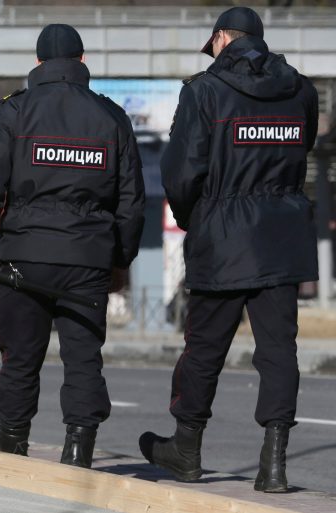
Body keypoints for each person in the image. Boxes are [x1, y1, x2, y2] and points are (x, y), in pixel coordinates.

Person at [139, 6, 319, 493]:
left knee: (203, 349)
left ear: (221, 38)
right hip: (282, 238)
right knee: (279, 351)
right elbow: (302, 150)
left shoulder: (203, 91)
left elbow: (180, 172)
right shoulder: (300, 90)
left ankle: (186, 449)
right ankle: (275, 463)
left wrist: (192, 217)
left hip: (222, 237)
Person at [0, 24, 145, 468]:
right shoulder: (112, 116)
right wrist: (120, 259)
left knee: (20, 357)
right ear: (82, 62)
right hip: (88, 260)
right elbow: (132, 199)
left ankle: (12, 446)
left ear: (38, 63)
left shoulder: (15, 112)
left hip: (26, 258)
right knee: (83, 358)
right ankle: (78, 453)